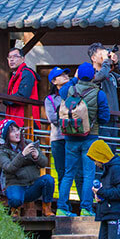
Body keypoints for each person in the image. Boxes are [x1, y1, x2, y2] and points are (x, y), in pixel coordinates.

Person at [56, 62, 111, 217]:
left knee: (69, 173)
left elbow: (61, 95)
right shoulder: (99, 93)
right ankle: (86, 208)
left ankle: (61, 208)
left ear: (78, 75)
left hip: (70, 136)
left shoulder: (68, 89)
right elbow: (105, 117)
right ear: (94, 76)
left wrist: (74, 79)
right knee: (89, 173)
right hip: (90, 137)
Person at [0, 118, 54, 215]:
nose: (17, 133)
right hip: (15, 185)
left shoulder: (28, 143)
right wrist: (22, 155)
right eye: (12, 132)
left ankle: (47, 208)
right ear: (6, 136)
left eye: (17, 130)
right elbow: (9, 168)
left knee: (48, 180)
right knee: (16, 200)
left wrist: (37, 156)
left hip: (32, 185)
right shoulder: (2, 151)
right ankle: (15, 210)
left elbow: (44, 163)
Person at [44, 67, 83, 201]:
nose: (66, 76)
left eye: (66, 74)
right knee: (62, 173)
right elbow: (53, 119)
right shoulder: (50, 99)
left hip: (74, 137)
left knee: (79, 172)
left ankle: (84, 204)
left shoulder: (75, 93)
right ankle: (63, 205)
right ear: (54, 81)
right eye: (61, 75)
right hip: (58, 139)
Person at [89, 43, 120, 141]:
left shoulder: (111, 75)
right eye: (101, 54)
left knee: (112, 150)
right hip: (100, 119)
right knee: (103, 150)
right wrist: (106, 61)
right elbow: (101, 75)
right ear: (93, 58)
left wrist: (117, 64)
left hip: (113, 117)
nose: (104, 56)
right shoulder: (92, 74)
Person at [5, 48, 41, 128]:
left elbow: (23, 96)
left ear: (23, 58)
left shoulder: (27, 74)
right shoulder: (16, 75)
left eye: (15, 57)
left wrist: (5, 99)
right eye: (9, 57)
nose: (11, 60)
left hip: (25, 119)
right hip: (17, 117)